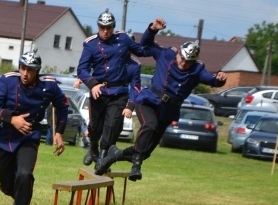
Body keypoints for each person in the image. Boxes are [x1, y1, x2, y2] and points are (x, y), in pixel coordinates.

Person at [95, 19, 227, 180]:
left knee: (146, 151)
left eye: (188, 62)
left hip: (168, 110)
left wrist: (220, 79)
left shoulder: (197, 69)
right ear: (178, 53)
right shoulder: (166, 54)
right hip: (148, 101)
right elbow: (146, 45)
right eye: (182, 59)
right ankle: (136, 165)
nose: (184, 64)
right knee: (150, 125)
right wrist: (152, 29)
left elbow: (212, 80)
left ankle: (115, 155)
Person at [0, 51, 69, 205]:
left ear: (37, 71)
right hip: (3, 137)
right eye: (23, 68)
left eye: (30, 70)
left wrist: (59, 132)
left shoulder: (49, 85)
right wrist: (12, 119)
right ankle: (21, 195)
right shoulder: (7, 81)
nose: (25, 73)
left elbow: (63, 105)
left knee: (24, 174)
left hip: (29, 138)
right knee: (7, 186)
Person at [77, 9, 149, 170]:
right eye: (102, 27)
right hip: (99, 92)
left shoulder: (123, 39)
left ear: (113, 27)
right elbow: (82, 69)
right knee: (95, 127)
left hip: (119, 93)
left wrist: (152, 31)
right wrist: (93, 83)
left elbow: (142, 51)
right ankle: (93, 147)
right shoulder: (90, 44)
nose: (105, 31)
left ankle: (102, 158)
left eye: (108, 27)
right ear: (98, 26)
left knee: (112, 125)